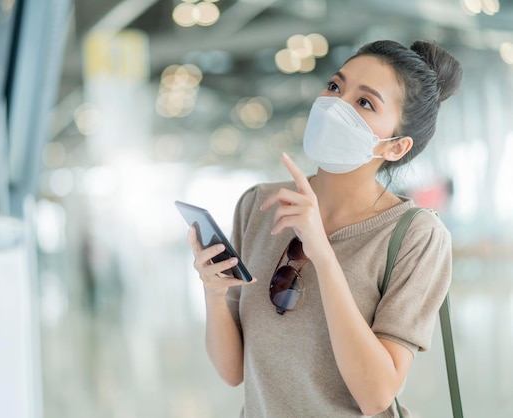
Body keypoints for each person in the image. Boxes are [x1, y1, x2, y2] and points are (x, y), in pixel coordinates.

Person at [186, 39, 462, 417]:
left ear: (396, 147)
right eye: (335, 86)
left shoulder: (415, 235)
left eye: (365, 102)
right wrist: (214, 294)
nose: (334, 106)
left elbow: (376, 395)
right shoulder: (258, 205)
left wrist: (323, 253)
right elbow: (233, 372)